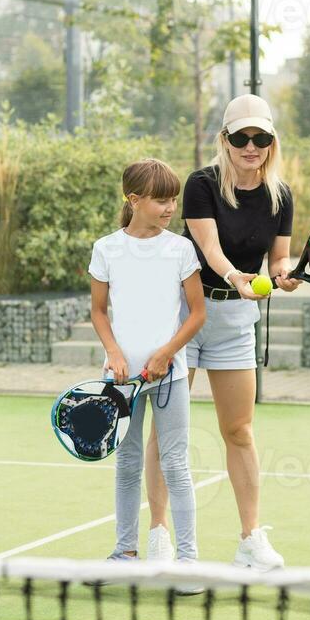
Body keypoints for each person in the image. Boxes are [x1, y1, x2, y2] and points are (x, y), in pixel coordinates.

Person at [143, 94, 296, 571]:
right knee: (168, 432)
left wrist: (282, 274)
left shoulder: (280, 195)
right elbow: (208, 248)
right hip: (185, 315)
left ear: (271, 141)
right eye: (241, 137)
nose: (251, 147)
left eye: (261, 138)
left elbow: (278, 259)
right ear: (225, 140)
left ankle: (250, 539)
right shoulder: (201, 184)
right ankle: (158, 535)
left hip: (235, 325)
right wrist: (237, 278)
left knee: (239, 430)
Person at [87, 159, 206, 589]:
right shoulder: (106, 248)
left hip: (170, 377)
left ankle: (189, 561)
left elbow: (197, 313)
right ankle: (123, 553)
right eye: (161, 199)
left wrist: (168, 353)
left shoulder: (180, 249)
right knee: (127, 463)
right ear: (134, 200)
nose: (170, 206)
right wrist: (114, 353)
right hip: (120, 381)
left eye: (173, 198)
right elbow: (99, 312)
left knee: (176, 465)